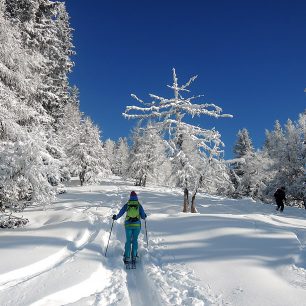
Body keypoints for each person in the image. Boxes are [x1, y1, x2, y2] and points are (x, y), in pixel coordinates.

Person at [112, 191, 147, 263]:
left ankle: (127, 257)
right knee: (135, 240)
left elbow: (120, 213)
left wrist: (115, 217)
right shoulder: (139, 205)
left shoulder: (127, 204)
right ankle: (134, 256)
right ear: (136, 197)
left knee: (128, 240)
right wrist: (144, 216)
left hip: (128, 225)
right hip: (137, 225)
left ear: (130, 197)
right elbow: (143, 216)